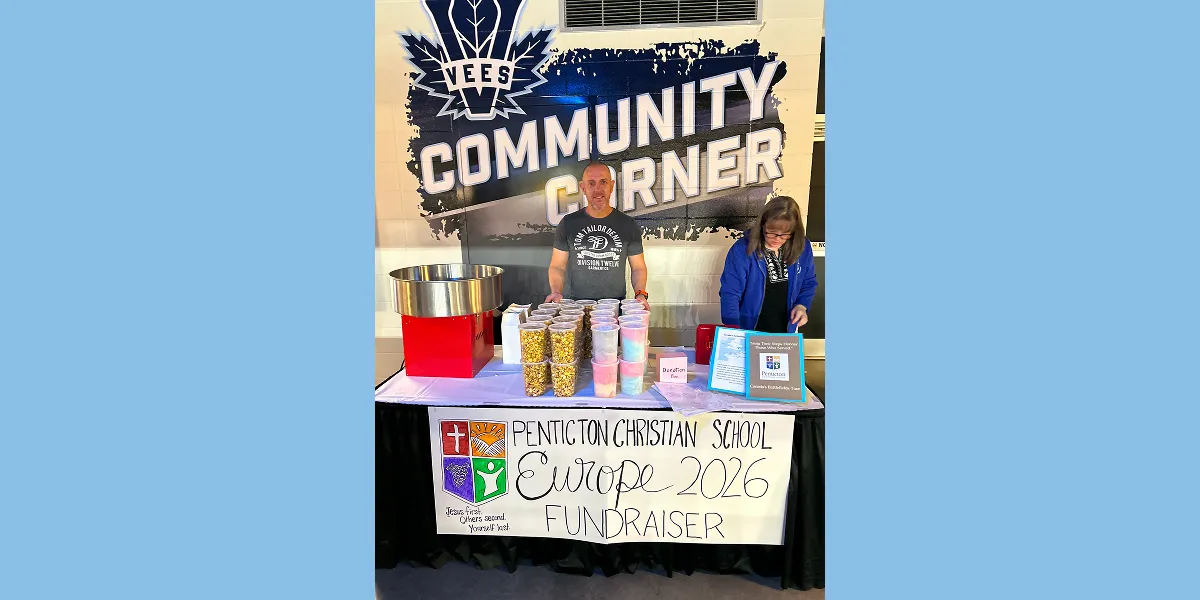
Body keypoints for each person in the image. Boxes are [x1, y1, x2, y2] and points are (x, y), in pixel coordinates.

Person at [546, 161, 650, 309]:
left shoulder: (628, 224)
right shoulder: (568, 224)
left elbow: (638, 267)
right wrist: (556, 291)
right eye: (591, 183)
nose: (598, 189)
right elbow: (557, 266)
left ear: (612, 186)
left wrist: (640, 294)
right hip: (577, 308)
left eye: (603, 182)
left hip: (615, 307)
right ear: (583, 187)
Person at [718, 196, 819, 333]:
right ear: (762, 225)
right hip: (748, 328)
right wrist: (733, 328)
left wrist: (802, 305)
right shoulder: (742, 249)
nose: (777, 239)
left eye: (784, 234)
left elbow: (808, 282)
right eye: (771, 233)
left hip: (785, 329)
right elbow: (730, 292)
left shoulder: (803, 247)